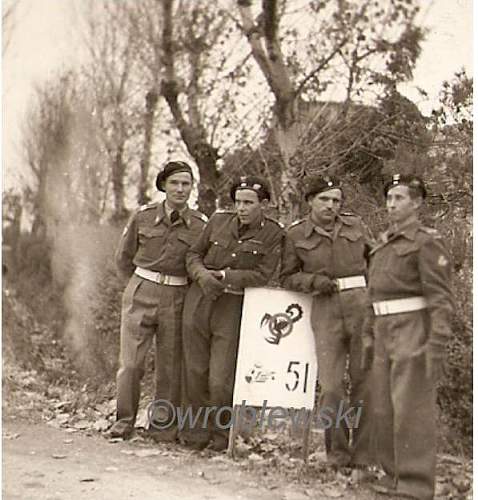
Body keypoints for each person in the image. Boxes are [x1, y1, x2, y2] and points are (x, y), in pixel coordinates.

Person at [362, 174, 454, 499]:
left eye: (399, 198)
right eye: (389, 198)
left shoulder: (426, 242)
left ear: (416, 203)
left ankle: (415, 484)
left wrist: (437, 342)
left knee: (410, 406)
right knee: (383, 406)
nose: (391, 204)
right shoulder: (384, 243)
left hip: (412, 327)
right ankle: (392, 475)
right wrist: (369, 334)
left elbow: (441, 298)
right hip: (383, 328)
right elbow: (374, 293)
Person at [181, 175, 284, 451]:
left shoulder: (274, 233)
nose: (242, 208)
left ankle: (219, 434)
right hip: (200, 301)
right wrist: (203, 276)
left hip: (233, 306)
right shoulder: (217, 221)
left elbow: (263, 274)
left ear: (264, 204)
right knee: (194, 371)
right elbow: (193, 254)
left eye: (249, 203)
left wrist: (225, 275)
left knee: (220, 378)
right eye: (238, 202)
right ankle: (195, 434)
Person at [280, 175, 374, 473]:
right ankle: (338, 454)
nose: (331, 205)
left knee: (365, 381)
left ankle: (364, 454)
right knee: (331, 386)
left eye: (336, 200)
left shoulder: (356, 225)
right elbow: (286, 276)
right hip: (325, 307)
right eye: (324, 199)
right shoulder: (295, 235)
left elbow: (376, 261)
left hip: (361, 305)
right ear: (310, 201)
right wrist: (313, 281)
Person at [109, 161, 208, 440]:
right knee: (131, 363)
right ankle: (124, 420)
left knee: (170, 365)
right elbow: (123, 258)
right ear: (163, 185)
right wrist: (136, 287)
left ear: (191, 188)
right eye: (174, 182)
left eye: (186, 183)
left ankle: (163, 427)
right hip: (142, 289)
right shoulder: (142, 216)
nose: (180, 189)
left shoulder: (201, 224)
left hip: (177, 295)